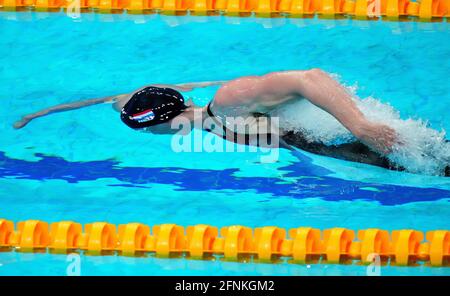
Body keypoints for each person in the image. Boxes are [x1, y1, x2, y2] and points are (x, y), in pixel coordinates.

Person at [14, 69, 402, 170]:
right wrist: (39, 113)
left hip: (351, 135)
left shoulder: (227, 104)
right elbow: (105, 100)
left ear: (161, 123)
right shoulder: (139, 103)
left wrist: (359, 126)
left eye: (147, 128)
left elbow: (310, 77)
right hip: (322, 143)